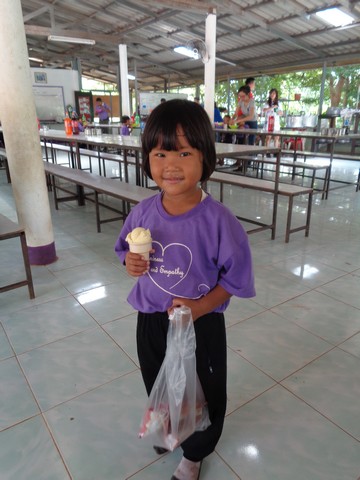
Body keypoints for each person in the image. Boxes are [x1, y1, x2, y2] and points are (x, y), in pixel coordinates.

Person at [114, 99, 255, 480]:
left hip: (199, 325)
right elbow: (126, 253)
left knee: (203, 392)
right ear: (147, 159)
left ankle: (194, 454)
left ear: (205, 158)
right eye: (160, 153)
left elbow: (235, 280)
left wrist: (198, 307)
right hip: (151, 321)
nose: (171, 165)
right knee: (157, 378)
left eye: (184, 152)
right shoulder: (142, 213)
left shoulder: (220, 222)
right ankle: (172, 428)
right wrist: (131, 263)